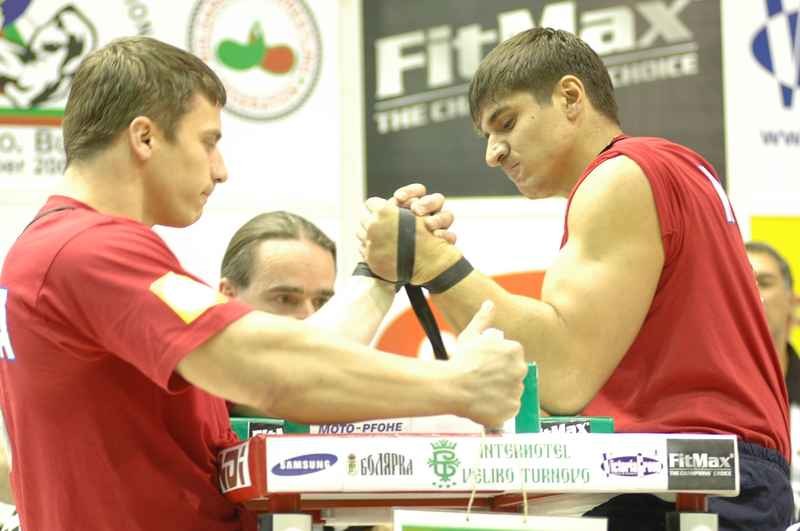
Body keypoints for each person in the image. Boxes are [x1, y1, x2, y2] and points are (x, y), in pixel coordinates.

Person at [0, 36, 527, 531]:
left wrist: (379, 274)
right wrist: (459, 387)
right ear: (144, 137)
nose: (221, 169)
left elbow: (278, 377)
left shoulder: (60, 251)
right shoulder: (91, 251)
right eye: (208, 142)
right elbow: (271, 374)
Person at [359, 27, 792, 530]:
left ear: (569, 96)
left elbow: (562, 378)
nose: (492, 154)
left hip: (689, 481)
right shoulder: (675, 168)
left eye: (506, 123)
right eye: (487, 136)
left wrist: (432, 264)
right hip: (715, 472)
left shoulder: (620, 176)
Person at [745, 241, 798, 518]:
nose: (752, 293)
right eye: (741, 279)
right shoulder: (703, 396)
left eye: (764, 282)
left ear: (793, 303)